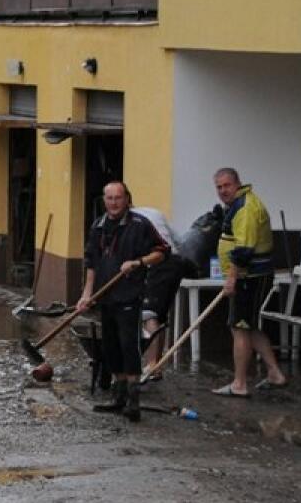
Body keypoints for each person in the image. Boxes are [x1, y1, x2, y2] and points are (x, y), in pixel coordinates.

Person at [79, 181, 168, 422]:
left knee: (129, 344)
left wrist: (138, 263)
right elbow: (91, 262)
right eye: (109, 198)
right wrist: (87, 294)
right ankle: (118, 397)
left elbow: (161, 251)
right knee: (110, 346)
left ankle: (133, 400)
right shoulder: (98, 226)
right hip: (105, 296)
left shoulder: (140, 225)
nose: (114, 202)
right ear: (104, 200)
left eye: (118, 198)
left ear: (127, 198)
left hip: (129, 294)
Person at [211, 167, 287, 398]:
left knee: (240, 328)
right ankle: (275, 373)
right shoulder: (240, 203)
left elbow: (243, 250)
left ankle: (239, 383)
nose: (223, 190)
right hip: (249, 276)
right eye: (219, 187)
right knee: (249, 326)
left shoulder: (245, 208)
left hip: (248, 277)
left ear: (237, 183)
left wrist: (232, 278)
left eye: (227, 185)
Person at [131, 205, 187, 382]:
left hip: (159, 263)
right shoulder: (153, 212)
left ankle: (153, 365)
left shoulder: (130, 222)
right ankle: (156, 365)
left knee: (148, 314)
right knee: (159, 316)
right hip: (176, 263)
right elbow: (179, 241)